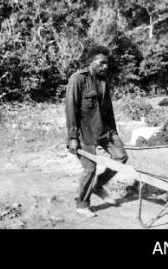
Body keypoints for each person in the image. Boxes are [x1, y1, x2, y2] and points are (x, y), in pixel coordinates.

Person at [65, 45, 128, 218]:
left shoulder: (103, 81)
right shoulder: (77, 79)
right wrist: (72, 137)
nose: (105, 67)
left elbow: (108, 109)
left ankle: (99, 185)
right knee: (89, 168)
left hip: (103, 130)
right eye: (102, 63)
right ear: (91, 62)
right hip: (84, 133)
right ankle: (82, 203)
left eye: (107, 63)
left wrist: (114, 133)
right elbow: (71, 109)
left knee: (120, 157)